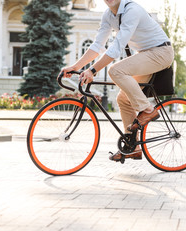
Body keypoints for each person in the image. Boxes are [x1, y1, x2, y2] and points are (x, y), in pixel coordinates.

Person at [59, 0, 174, 161]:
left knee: (115, 70)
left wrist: (93, 70)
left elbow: (117, 46)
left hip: (161, 52)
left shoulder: (132, 10)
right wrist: (76, 66)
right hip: (146, 54)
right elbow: (98, 45)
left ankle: (148, 110)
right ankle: (133, 147)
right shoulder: (108, 15)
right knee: (123, 99)